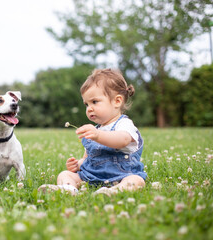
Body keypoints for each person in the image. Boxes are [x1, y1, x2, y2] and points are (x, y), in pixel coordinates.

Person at [38, 68, 147, 196]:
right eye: (86, 104)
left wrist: (98, 135)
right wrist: (78, 164)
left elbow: (122, 140)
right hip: (92, 176)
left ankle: (114, 191)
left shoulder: (124, 124)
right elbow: (88, 157)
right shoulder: (96, 130)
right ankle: (68, 189)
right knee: (65, 174)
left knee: (136, 180)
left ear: (117, 101)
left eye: (94, 102)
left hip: (122, 175)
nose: (89, 108)